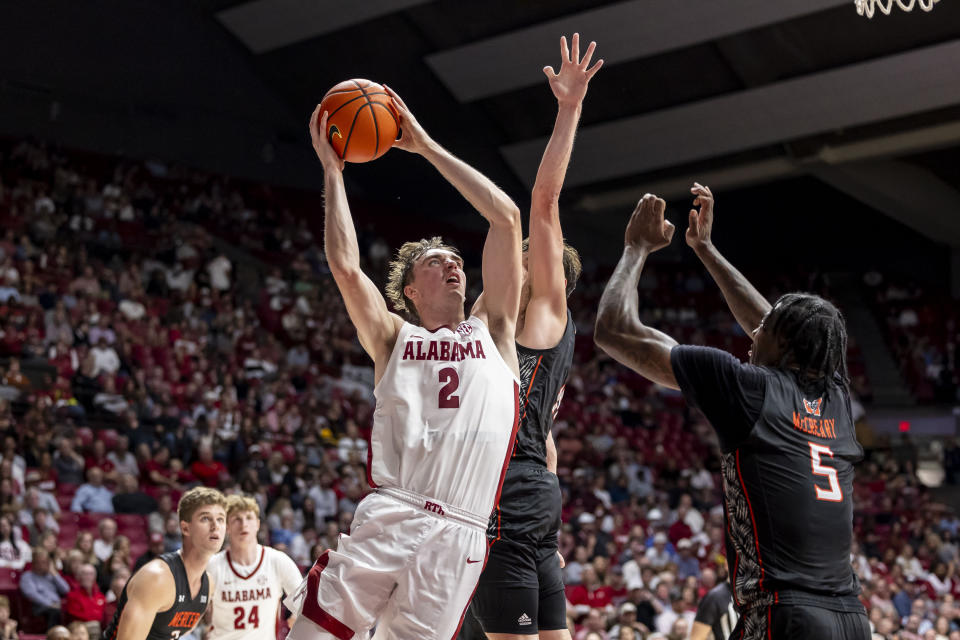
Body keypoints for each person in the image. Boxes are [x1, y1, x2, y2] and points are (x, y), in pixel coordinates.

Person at [285, 83, 523, 640]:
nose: (453, 267)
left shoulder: (495, 328)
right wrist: (333, 173)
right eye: (437, 262)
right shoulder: (394, 337)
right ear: (410, 290)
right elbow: (345, 266)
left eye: (457, 260)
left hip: (463, 531)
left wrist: (425, 145)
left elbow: (507, 220)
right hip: (395, 510)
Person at [594, 186, 869, 639]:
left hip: (787, 613)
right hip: (851, 620)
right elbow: (780, 327)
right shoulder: (836, 398)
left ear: (781, 343)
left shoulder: (746, 387)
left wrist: (635, 247)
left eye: (764, 329)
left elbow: (613, 330)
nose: (753, 330)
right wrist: (705, 250)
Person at [467, 33, 599, 640]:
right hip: (526, 511)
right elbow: (543, 444)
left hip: (507, 511)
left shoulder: (544, 313)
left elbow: (543, 202)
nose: (516, 262)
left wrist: (568, 110)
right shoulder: (498, 320)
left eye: (527, 258)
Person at [100, 486, 227, 640]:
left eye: (221, 519)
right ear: (185, 528)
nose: (216, 526)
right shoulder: (156, 578)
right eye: (205, 518)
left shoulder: (208, 585)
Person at [206, 495, 302, 640]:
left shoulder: (277, 561)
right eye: (237, 519)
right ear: (227, 527)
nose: (244, 524)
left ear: (257, 524)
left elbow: (305, 602)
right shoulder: (212, 566)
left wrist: (296, 616)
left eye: (249, 518)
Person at [19, 547, 69, 628]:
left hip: (57, 605)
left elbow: (66, 589)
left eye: (45, 562)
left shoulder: (51, 575)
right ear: (34, 563)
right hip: (38, 607)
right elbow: (32, 595)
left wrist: (55, 574)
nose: (43, 565)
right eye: (40, 562)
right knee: (54, 611)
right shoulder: (28, 576)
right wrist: (50, 604)